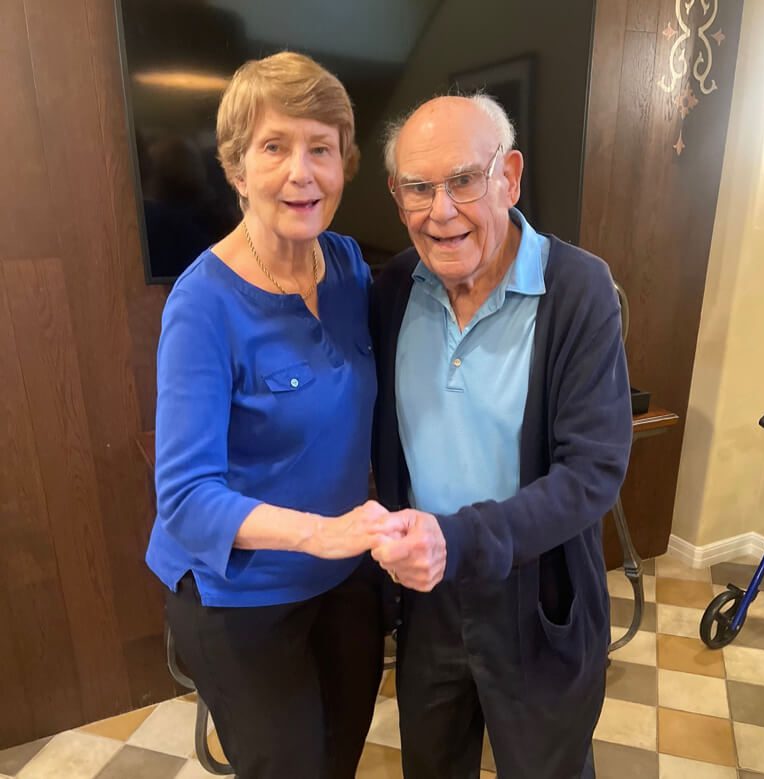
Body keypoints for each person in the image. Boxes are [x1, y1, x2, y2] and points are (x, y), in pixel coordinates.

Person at [146, 52, 403, 779]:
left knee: (341, 758)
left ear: (345, 163)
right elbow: (189, 500)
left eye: (321, 147)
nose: (303, 172)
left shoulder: (351, 266)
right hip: (242, 597)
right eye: (275, 146)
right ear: (235, 168)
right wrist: (328, 533)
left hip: (345, 580)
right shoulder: (201, 305)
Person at [369, 95, 633, 779]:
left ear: (509, 177)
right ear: (398, 198)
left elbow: (592, 473)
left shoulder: (578, 289)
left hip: (538, 598)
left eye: (463, 180)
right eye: (418, 189)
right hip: (428, 603)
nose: (441, 210)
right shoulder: (393, 287)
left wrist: (458, 540)